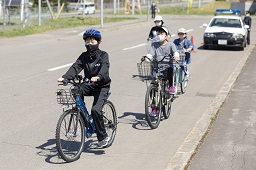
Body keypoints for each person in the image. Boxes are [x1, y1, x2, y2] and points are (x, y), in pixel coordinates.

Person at [57, 28, 111, 148]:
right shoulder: (83, 56)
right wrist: (65, 77)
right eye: (87, 42)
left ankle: (103, 137)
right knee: (75, 90)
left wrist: (98, 77)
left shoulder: (103, 55)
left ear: (98, 42)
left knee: (96, 110)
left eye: (92, 41)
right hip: (89, 85)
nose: (89, 44)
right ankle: (82, 115)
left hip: (102, 86)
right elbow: (76, 67)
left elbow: (105, 68)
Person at [146, 26, 180, 95]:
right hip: (157, 66)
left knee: (170, 70)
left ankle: (171, 87)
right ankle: (153, 99)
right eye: (158, 33)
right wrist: (148, 57)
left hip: (167, 66)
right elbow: (150, 54)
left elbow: (175, 52)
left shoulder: (171, 44)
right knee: (153, 81)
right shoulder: (154, 44)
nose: (160, 35)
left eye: (162, 33)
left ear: (166, 36)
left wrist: (176, 56)